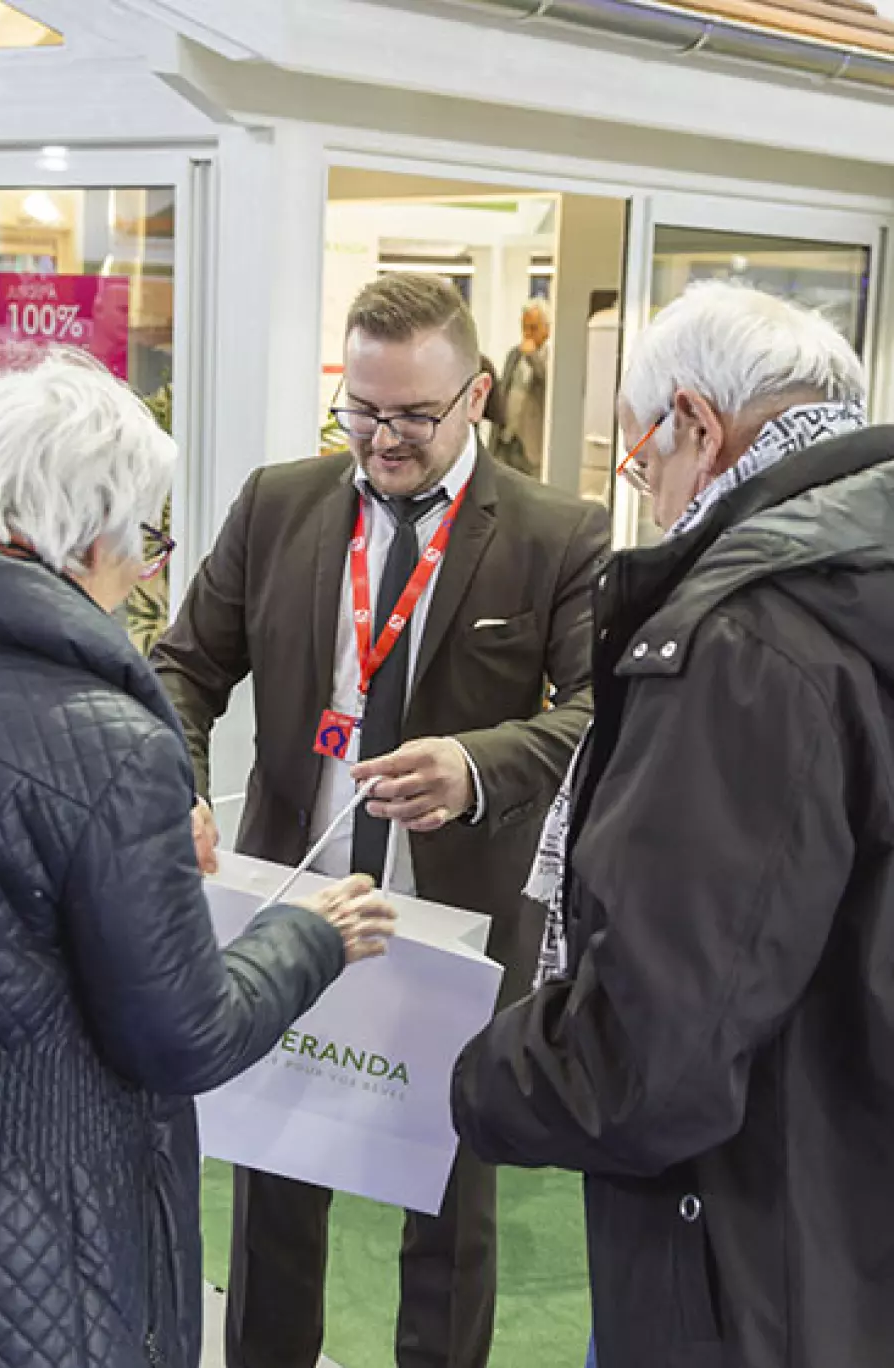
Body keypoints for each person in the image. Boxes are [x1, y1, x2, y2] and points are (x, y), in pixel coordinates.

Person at [0, 352, 395, 1368]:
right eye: (149, 539)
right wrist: (309, 936)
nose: (148, 568)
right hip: (23, 1248)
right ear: (90, 536)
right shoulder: (104, 742)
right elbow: (183, 1034)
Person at [151, 271, 610, 1368]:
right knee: (274, 1181)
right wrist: (171, 790)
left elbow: (606, 713)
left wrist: (477, 761)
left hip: (451, 920)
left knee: (449, 1195)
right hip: (290, 899)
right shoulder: (280, 504)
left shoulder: (556, 533)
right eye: (359, 410)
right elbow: (185, 666)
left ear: (478, 397)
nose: (381, 439)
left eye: (411, 415)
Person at [452, 280, 894, 1368]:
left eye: (641, 453)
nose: (643, 487)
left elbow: (652, 1056)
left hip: (748, 1257)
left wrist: (470, 1074)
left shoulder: (747, 639)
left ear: (697, 424)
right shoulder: (858, 575)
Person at [490, 298, 551, 478]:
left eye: (533, 328)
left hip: (531, 445)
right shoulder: (514, 355)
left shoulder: (550, 357)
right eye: (524, 328)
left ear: (546, 330)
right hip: (507, 439)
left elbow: (546, 383)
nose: (527, 334)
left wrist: (532, 356)